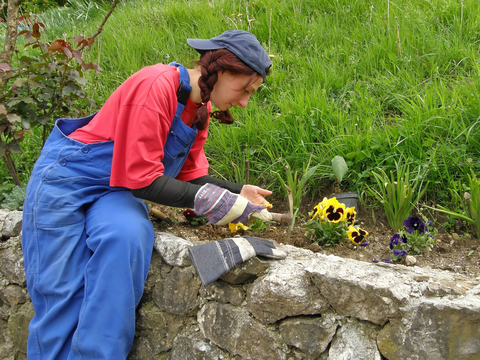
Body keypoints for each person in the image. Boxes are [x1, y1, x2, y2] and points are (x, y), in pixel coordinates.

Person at [21, 30, 274, 359]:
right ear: (223, 71)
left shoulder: (197, 111)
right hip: (66, 184)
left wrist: (237, 192)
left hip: (114, 192)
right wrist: (211, 201)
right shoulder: (157, 84)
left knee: (128, 234)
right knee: (61, 295)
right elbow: (142, 181)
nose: (244, 102)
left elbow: (191, 176)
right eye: (245, 90)